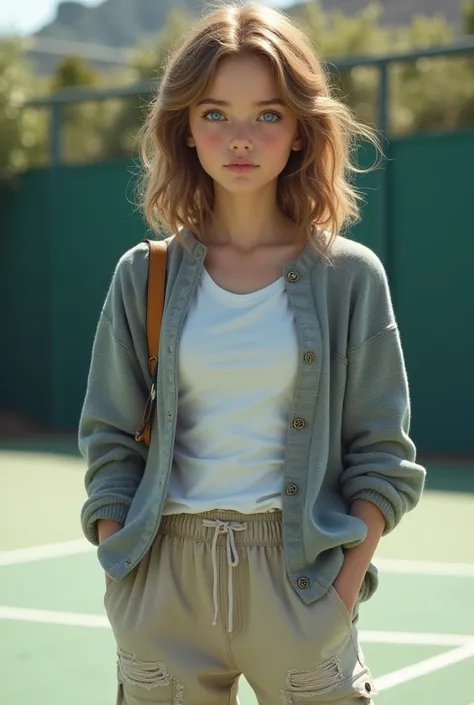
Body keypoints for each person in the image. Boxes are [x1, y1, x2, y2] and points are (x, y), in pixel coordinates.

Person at [78, 3, 426, 704]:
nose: (241, 138)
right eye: (215, 113)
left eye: (267, 114)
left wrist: (341, 590)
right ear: (185, 128)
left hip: (300, 583)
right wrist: (125, 577)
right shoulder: (141, 276)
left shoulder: (350, 277)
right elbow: (111, 441)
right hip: (163, 586)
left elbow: (384, 455)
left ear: (300, 129)